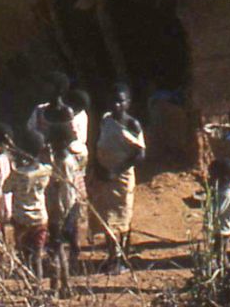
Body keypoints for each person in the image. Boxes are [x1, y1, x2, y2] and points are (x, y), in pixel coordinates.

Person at [93, 84, 145, 273]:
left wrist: (117, 170)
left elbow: (140, 154)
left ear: (128, 103)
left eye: (120, 101)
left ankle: (123, 257)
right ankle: (111, 256)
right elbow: (98, 141)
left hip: (122, 177)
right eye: (113, 100)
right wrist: (99, 167)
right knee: (106, 217)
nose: (116, 105)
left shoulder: (132, 125)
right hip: (105, 176)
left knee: (123, 216)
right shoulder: (106, 120)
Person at [5, 128, 52, 280]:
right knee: (37, 256)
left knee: (25, 255)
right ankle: (38, 289)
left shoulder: (18, 174)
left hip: (21, 219)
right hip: (40, 218)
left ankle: (29, 287)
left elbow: (5, 188)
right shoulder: (46, 171)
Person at [46, 120, 86, 298]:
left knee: (57, 248)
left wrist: (59, 214)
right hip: (68, 208)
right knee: (59, 248)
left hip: (61, 209)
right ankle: (64, 285)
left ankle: (58, 286)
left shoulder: (64, 163)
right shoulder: (68, 159)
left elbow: (66, 192)